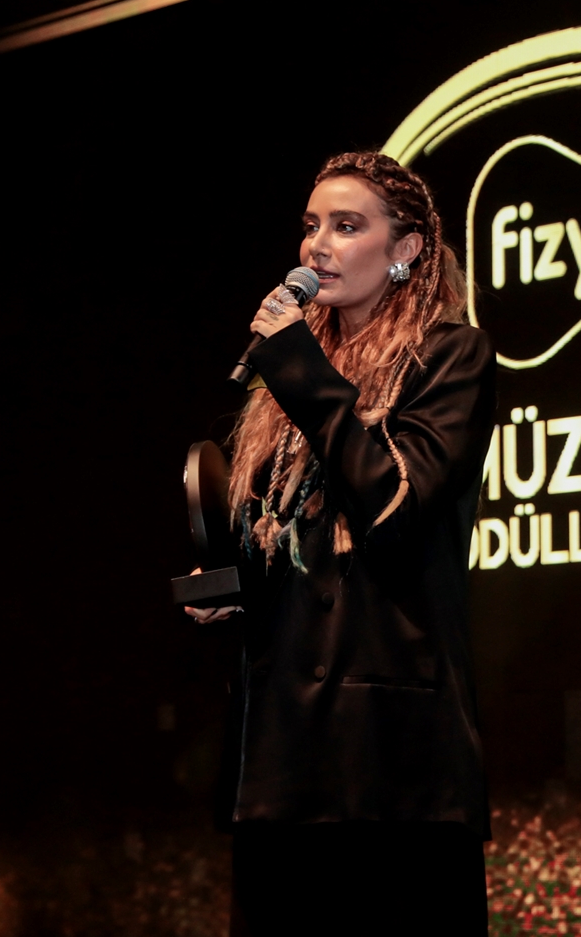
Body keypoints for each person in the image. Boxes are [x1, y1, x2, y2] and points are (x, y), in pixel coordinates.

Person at [186, 152, 496, 935]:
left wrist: (299, 367)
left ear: (406, 250)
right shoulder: (284, 391)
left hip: (391, 759)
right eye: (311, 226)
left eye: (347, 226)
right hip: (279, 753)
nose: (317, 246)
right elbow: (299, 543)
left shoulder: (450, 356)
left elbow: (393, 506)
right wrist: (235, 584)